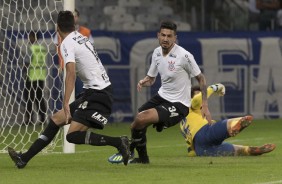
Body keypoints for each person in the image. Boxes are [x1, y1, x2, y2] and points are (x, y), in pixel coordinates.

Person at [7, 10, 130, 169]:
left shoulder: (67, 43)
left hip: (98, 94)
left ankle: (119, 142)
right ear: (73, 26)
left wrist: (66, 102)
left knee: (72, 136)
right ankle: (23, 159)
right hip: (94, 92)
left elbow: (71, 72)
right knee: (56, 120)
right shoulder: (81, 37)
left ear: (57, 27)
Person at [109, 20, 212, 164]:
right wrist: (145, 80)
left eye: (169, 36)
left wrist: (205, 105)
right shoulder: (156, 53)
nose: (165, 39)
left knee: (141, 119)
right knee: (136, 124)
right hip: (162, 97)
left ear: (175, 38)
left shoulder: (184, 56)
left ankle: (129, 149)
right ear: (158, 35)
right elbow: (152, 78)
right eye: (163, 35)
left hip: (179, 104)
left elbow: (201, 79)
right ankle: (142, 159)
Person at [180, 83, 276, 156]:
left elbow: (190, 150)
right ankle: (235, 125)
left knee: (237, 150)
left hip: (200, 148)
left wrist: (193, 152)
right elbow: (197, 100)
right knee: (239, 121)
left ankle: (250, 150)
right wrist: (217, 87)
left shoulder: (182, 121)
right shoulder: (191, 104)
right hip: (205, 133)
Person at [24, 31, 47, 124]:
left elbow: (27, 61)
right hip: (41, 76)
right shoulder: (42, 48)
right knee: (39, 98)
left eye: (31, 37)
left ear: (34, 37)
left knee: (29, 98)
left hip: (31, 76)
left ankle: (29, 120)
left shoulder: (31, 48)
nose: (29, 39)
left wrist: (24, 71)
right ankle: (42, 118)